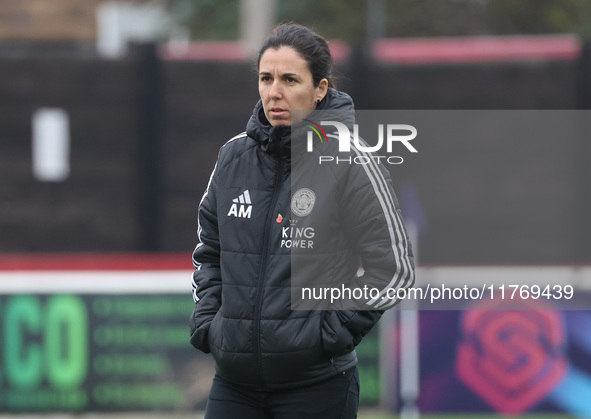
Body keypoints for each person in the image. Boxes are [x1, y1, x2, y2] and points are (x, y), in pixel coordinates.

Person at [189, 23, 415, 419]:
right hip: (234, 385)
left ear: (320, 89)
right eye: (266, 78)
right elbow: (210, 252)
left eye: (290, 79)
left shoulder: (351, 160)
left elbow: (394, 269)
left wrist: (327, 335)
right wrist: (211, 323)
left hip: (315, 386)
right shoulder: (232, 157)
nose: (274, 92)